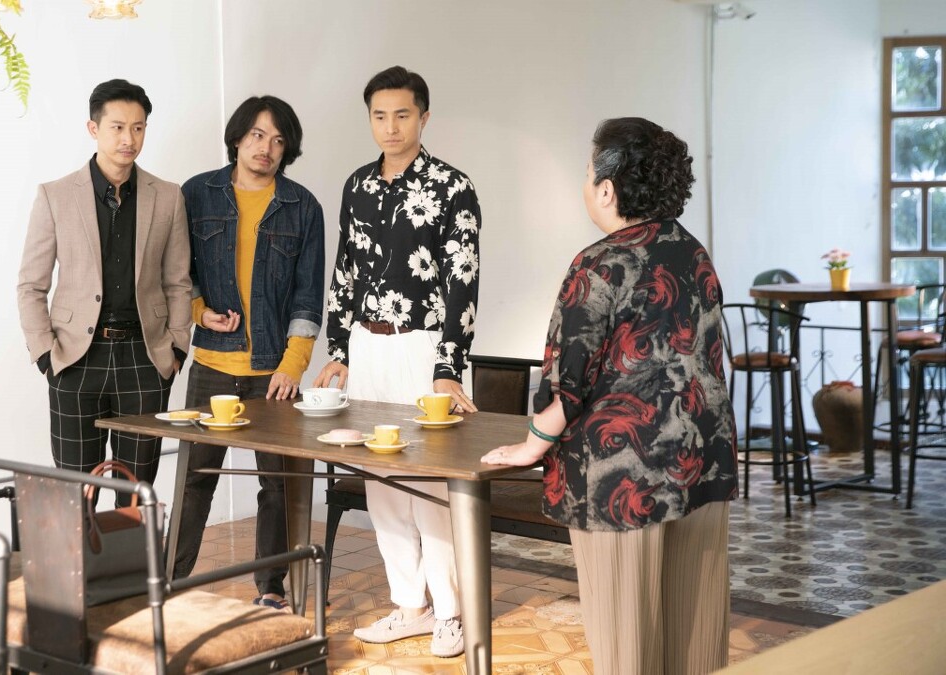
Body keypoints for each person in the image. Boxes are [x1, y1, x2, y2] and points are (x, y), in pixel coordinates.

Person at [482, 117, 738, 675]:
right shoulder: (693, 253)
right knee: (694, 629)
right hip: (701, 456)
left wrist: (531, 446)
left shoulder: (599, 264)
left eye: (587, 173)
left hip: (623, 476)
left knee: (626, 635)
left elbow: (568, 383)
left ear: (607, 188)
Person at [313, 65, 481, 658]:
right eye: (380, 116)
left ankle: (452, 612)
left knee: (428, 481)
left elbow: (463, 281)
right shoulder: (357, 186)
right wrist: (339, 350)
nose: (390, 126)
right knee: (381, 482)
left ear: (424, 117)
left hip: (422, 346)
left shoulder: (453, 187)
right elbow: (345, 272)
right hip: (368, 346)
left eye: (402, 115)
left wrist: (448, 365)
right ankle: (410, 605)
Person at [170, 96, 325, 611]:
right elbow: (178, 272)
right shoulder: (197, 194)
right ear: (237, 137)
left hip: (274, 372)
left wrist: (293, 364)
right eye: (258, 135)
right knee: (194, 481)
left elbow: (308, 295)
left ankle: (271, 588)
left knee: (277, 485)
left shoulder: (303, 207)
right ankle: (169, 581)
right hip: (212, 365)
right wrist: (199, 312)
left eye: (279, 141)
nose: (267, 148)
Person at [16, 79, 192, 503]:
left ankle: (132, 552)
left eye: (138, 128)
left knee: (136, 493)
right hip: (75, 359)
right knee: (77, 493)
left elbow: (178, 281)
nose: (129, 139)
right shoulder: (55, 196)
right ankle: (82, 553)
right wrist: (46, 355)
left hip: (144, 359)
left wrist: (175, 350)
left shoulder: (168, 197)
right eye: (117, 127)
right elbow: (31, 285)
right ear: (93, 129)